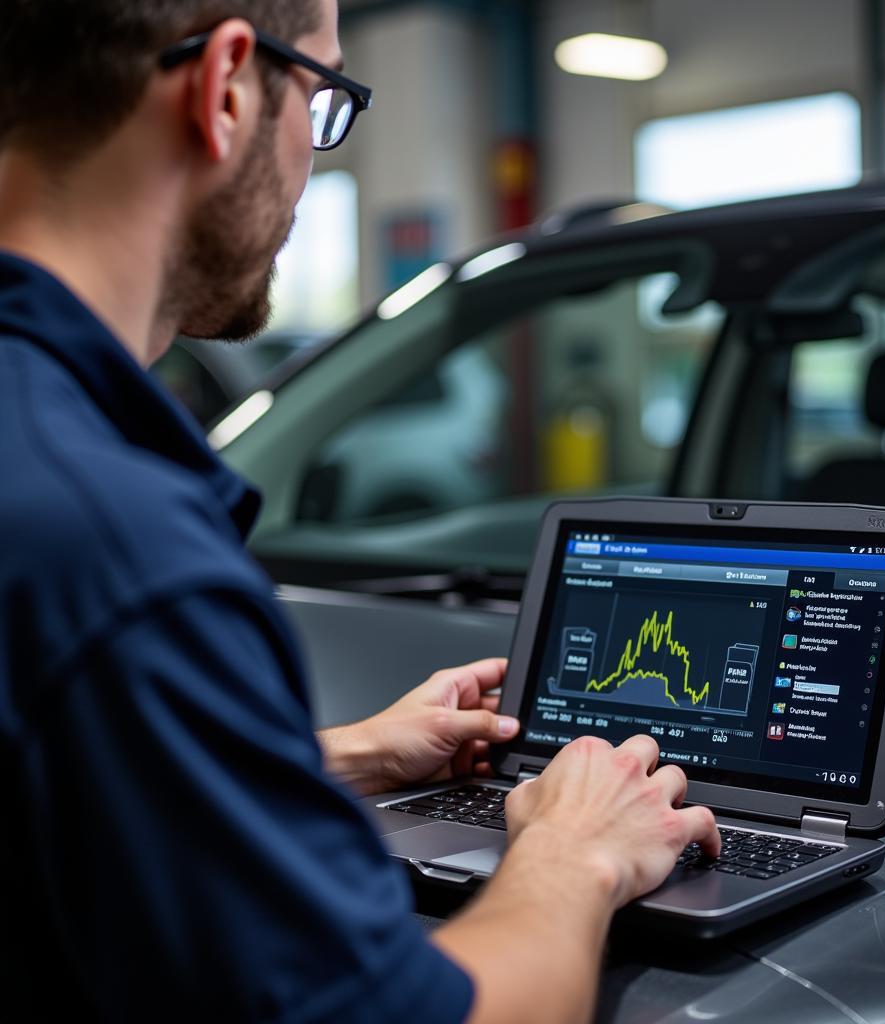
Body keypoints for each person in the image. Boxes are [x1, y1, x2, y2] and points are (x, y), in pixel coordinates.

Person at [0, 1, 721, 1020]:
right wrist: (574, 851)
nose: (312, 149)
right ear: (227, 87)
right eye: (323, 93)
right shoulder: (119, 556)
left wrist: (338, 754)